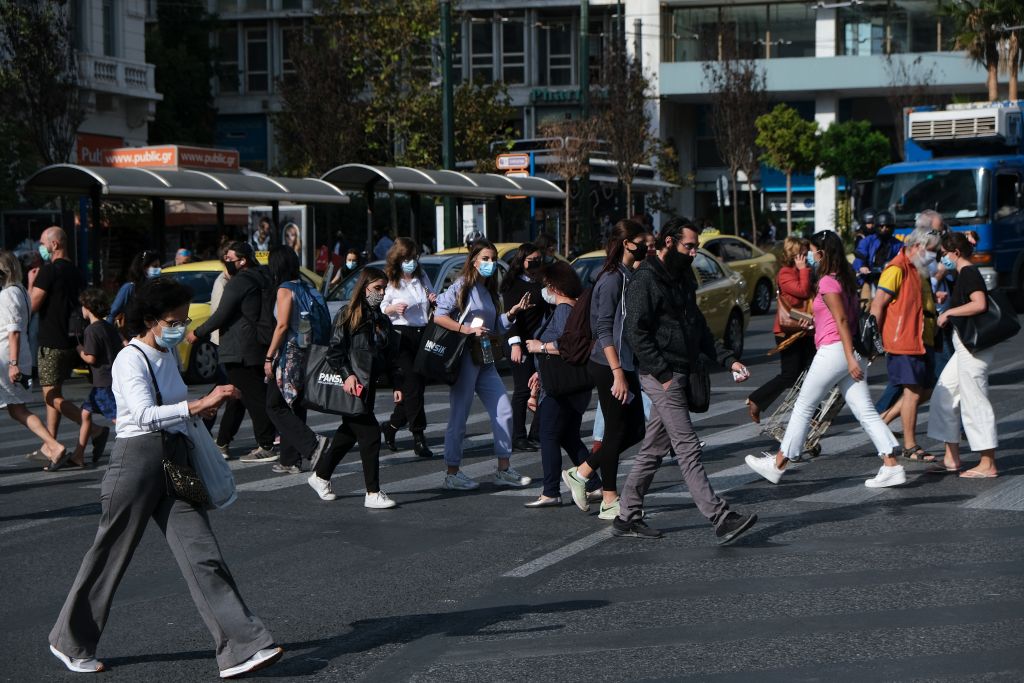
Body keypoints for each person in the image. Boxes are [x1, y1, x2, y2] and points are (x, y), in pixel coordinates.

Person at [48, 277, 283, 679]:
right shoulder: (130, 358)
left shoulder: (167, 356)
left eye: (185, 318)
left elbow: (172, 405)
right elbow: (138, 415)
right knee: (110, 555)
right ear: (153, 320)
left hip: (174, 459)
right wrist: (197, 405)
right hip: (136, 462)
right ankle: (70, 642)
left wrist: (198, 408)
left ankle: (241, 647)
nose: (182, 326)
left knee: (202, 553)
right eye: (175, 319)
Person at [607, 219, 757, 545]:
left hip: (679, 371)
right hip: (661, 376)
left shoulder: (683, 276)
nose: (694, 252)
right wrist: (661, 374)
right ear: (670, 242)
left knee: (653, 449)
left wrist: (727, 358)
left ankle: (626, 515)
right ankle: (720, 517)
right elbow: (636, 332)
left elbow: (698, 327)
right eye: (689, 246)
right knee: (688, 447)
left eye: (696, 246)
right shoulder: (644, 280)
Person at [745, 230, 903, 488]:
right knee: (865, 411)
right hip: (848, 351)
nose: (808, 255)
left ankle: (778, 463)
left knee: (804, 406)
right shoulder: (847, 277)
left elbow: (841, 320)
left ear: (822, 252)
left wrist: (849, 359)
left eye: (811, 250)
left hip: (835, 351)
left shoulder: (829, 281)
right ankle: (891, 464)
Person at [562, 220, 648, 520]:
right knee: (616, 431)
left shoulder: (627, 274)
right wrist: (618, 372)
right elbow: (602, 328)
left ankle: (582, 471)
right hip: (608, 364)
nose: (646, 245)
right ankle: (609, 498)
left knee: (635, 428)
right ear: (628, 243)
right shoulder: (612, 278)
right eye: (642, 240)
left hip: (625, 363)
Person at [433, 239, 534, 490]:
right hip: (465, 357)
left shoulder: (488, 290)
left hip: (485, 358)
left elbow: (495, 326)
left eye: (492, 259)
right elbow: (438, 316)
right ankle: (452, 472)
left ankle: (503, 468)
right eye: (485, 259)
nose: (489, 263)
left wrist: (510, 314)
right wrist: (465, 329)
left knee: (504, 411)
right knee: (459, 416)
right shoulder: (462, 286)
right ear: (474, 261)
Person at [307, 267, 400, 509]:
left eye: (383, 289)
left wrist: (397, 384)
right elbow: (334, 351)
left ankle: (320, 476)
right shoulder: (348, 315)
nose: (380, 293)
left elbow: (390, 356)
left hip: (367, 386)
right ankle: (372, 493)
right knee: (370, 435)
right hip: (353, 385)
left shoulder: (380, 319)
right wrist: (347, 376)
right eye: (376, 288)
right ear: (364, 287)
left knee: (348, 434)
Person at [188, 241, 277, 462]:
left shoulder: (240, 282)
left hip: (240, 347)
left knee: (252, 396)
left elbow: (221, 314)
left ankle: (265, 444)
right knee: (239, 394)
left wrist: (197, 333)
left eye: (229, 259)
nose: (226, 262)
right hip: (256, 344)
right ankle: (223, 442)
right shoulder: (262, 276)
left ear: (242, 260)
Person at [928, 232, 1000, 478]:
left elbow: (980, 303)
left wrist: (949, 312)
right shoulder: (963, 272)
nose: (943, 259)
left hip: (974, 349)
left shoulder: (968, 272)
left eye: (945, 254)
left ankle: (987, 463)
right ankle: (951, 458)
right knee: (944, 394)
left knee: (974, 401)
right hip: (964, 348)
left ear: (955, 253)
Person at [869, 224, 942, 462]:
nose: (935, 255)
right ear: (919, 246)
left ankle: (884, 420)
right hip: (903, 339)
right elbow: (878, 304)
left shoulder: (917, 268)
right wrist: (873, 339)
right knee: (912, 391)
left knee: (926, 389)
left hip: (922, 337)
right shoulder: (896, 268)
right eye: (932, 250)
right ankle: (910, 446)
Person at [523, 263, 593, 508]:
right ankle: (593, 484)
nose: (544, 290)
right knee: (569, 436)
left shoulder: (564, 309)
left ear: (554, 286)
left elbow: (566, 345)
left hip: (561, 385)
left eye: (546, 286)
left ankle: (551, 491)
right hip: (571, 383)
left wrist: (538, 347)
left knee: (549, 434)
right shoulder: (574, 307)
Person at [263, 246, 332, 475]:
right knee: (295, 404)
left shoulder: (285, 289)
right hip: (309, 353)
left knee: (274, 404)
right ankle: (290, 460)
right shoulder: (307, 287)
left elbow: (282, 326)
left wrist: (269, 356)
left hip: (289, 355)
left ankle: (313, 445)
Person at [30, 227, 101, 448]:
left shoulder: (48, 271)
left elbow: (32, 305)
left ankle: (95, 429)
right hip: (73, 340)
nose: (40, 247)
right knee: (55, 391)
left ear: (55, 244)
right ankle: (50, 444)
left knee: (51, 396)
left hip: (51, 341)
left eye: (43, 242)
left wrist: (31, 283)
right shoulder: (76, 271)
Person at [0, 250, 68, 469]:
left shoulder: (8, 294)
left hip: (6, 357)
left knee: (18, 409)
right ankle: (53, 445)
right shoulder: (19, 291)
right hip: (17, 355)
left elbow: (14, 331)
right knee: (17, 409)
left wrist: (12, 364)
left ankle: (53, 446)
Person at [746, 237, 815, 423]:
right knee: (790, 374)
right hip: (788, 331)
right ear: (793, 254)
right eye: (802, 252)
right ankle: (756, 399)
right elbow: (803, 291)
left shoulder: (804, 270)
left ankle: (811, 412)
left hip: (806, 329)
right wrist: (803, 271)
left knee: (809, 372)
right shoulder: (785, 273)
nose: (805, 256)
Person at [379, 238, 436, 458]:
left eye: (414, 258)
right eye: (407, 258)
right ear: (399, 258)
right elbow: (381, 306)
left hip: (422, 333)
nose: (412, 262)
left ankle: (392, 426)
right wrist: (393, 307)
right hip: (401, 335)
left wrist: (433, 299)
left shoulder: (421, 277)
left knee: (416, 387)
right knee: (412, 383)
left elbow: (433, 297)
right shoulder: (391, 280)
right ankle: (418, 435)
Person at [500, 243, 548, 453]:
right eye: (532, 260)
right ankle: (517, 436)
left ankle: (536, 433)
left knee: (544, 387)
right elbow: (512, 318)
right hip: (518, 342)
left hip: (538, 342)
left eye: (539, 259)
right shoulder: (513, 285)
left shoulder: (541, 282)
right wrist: (515, 344)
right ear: (522, 261)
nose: (536, 263)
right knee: (522, 390)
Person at [73, 288, 118, 466]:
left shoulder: (91, 330)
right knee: (85, 413)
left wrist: (79, 350)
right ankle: (78, 454)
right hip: (109, 379)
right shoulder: (108, 326)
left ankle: (137, 445)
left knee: (119, 419)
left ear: (88, 308)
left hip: (103, 383)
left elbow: (91, 358)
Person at [853, 209, 902, 304]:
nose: (884, 228)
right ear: (877, 226)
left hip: (889, 279)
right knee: (866, 304)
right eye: (881, 226)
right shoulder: (867, 241)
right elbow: (859, 256)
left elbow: (902, 260)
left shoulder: (898, 244)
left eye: (888, 226)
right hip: (868, 278)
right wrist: (861, 267)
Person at [108, 250, 161, 335]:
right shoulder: (129, 288)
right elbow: (112, 313)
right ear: (144, 268)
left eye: (159, 266)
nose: (159, 269)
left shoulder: (156, 288)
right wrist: (109, 336)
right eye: (155, 266)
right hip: (131, 338)